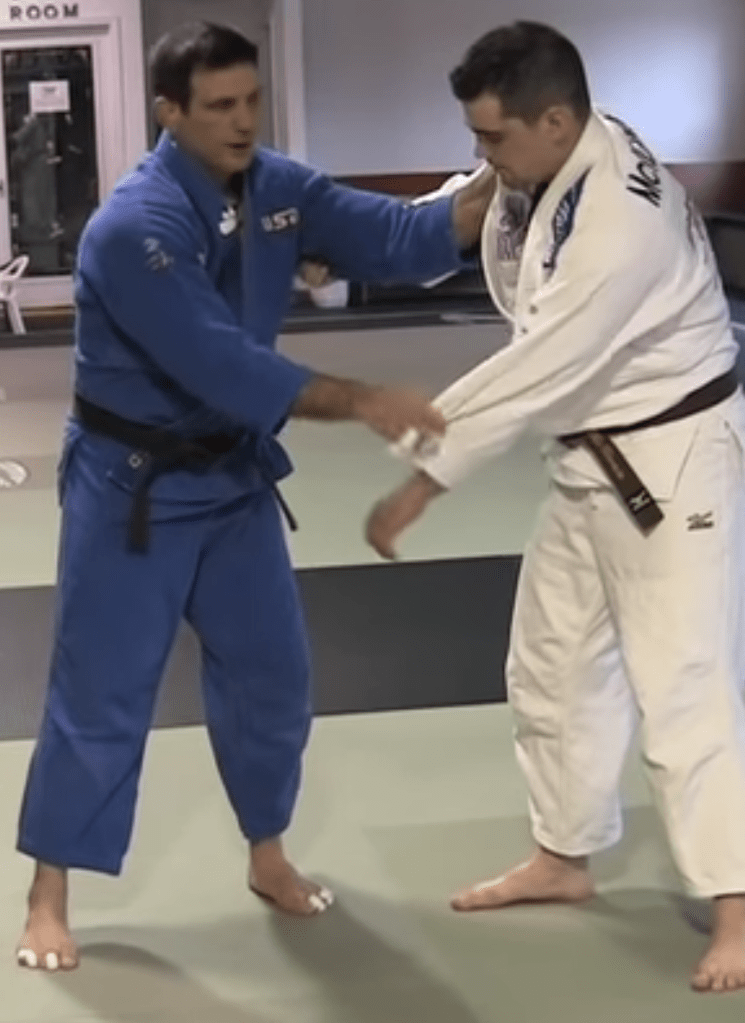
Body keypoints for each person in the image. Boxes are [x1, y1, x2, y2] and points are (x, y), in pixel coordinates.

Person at [15, 21, 494, 972]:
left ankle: (267, 853)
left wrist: (500, 176)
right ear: (170, 112)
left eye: (252, 101)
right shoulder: (132, 228)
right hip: (132, 488)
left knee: (273, 678)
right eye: (220, 106)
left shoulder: (277, 187)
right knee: (102, 691)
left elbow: (398, 235)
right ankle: (48, 892)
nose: (243, 122)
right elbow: (222, 364)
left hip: (230, 481)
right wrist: (364, 400)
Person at [365, 21, 745, 994]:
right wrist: (355, 242)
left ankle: (738, 912)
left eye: (493, 137)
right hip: (593, 462)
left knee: (686, 688)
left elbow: (536, 368)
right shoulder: (552, 158)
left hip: (676, 464)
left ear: (554, 121)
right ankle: (564, 854)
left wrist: (419, 479)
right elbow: (471, 204)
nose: (482, 155)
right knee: (548, 666)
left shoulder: (618, 223)